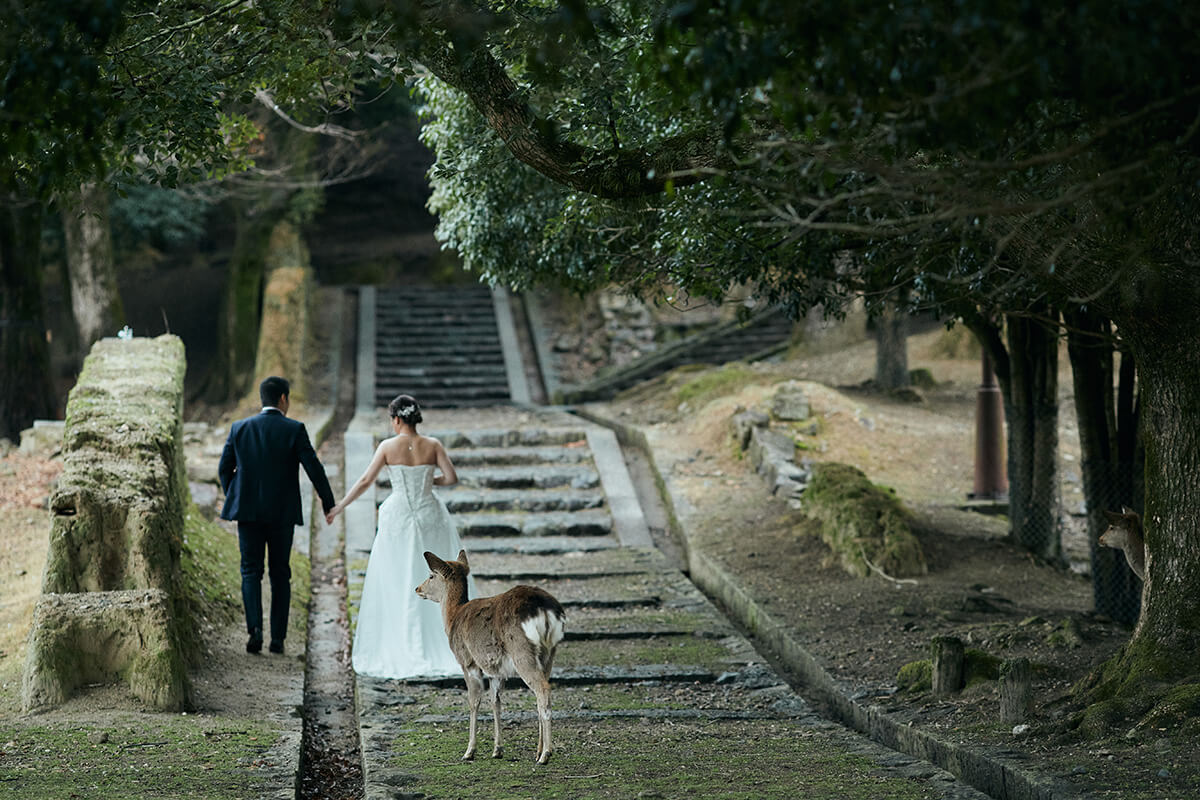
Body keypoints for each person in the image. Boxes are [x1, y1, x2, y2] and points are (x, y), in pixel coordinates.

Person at [325, 393, 475, 679]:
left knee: (396, 578)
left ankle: (398, 641)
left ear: (396, 419)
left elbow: (366, 480)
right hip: (431, 513)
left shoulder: (387, 446)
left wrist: (340, 506)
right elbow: (451, 478)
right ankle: (447, 639)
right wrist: (430, 480)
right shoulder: (433, 445)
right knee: (439, 577)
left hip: (398, 517)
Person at [219, 376, 335, 655]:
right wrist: (328, 502)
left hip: (247, 513)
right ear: (283, 398)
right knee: (280, 573)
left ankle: (254, 630)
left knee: (250, 570)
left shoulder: (239, 428)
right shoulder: (294, 429)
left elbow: (225, 468)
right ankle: (278, 639)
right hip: (282, 514)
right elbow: (313, 467)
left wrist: (235, 496)